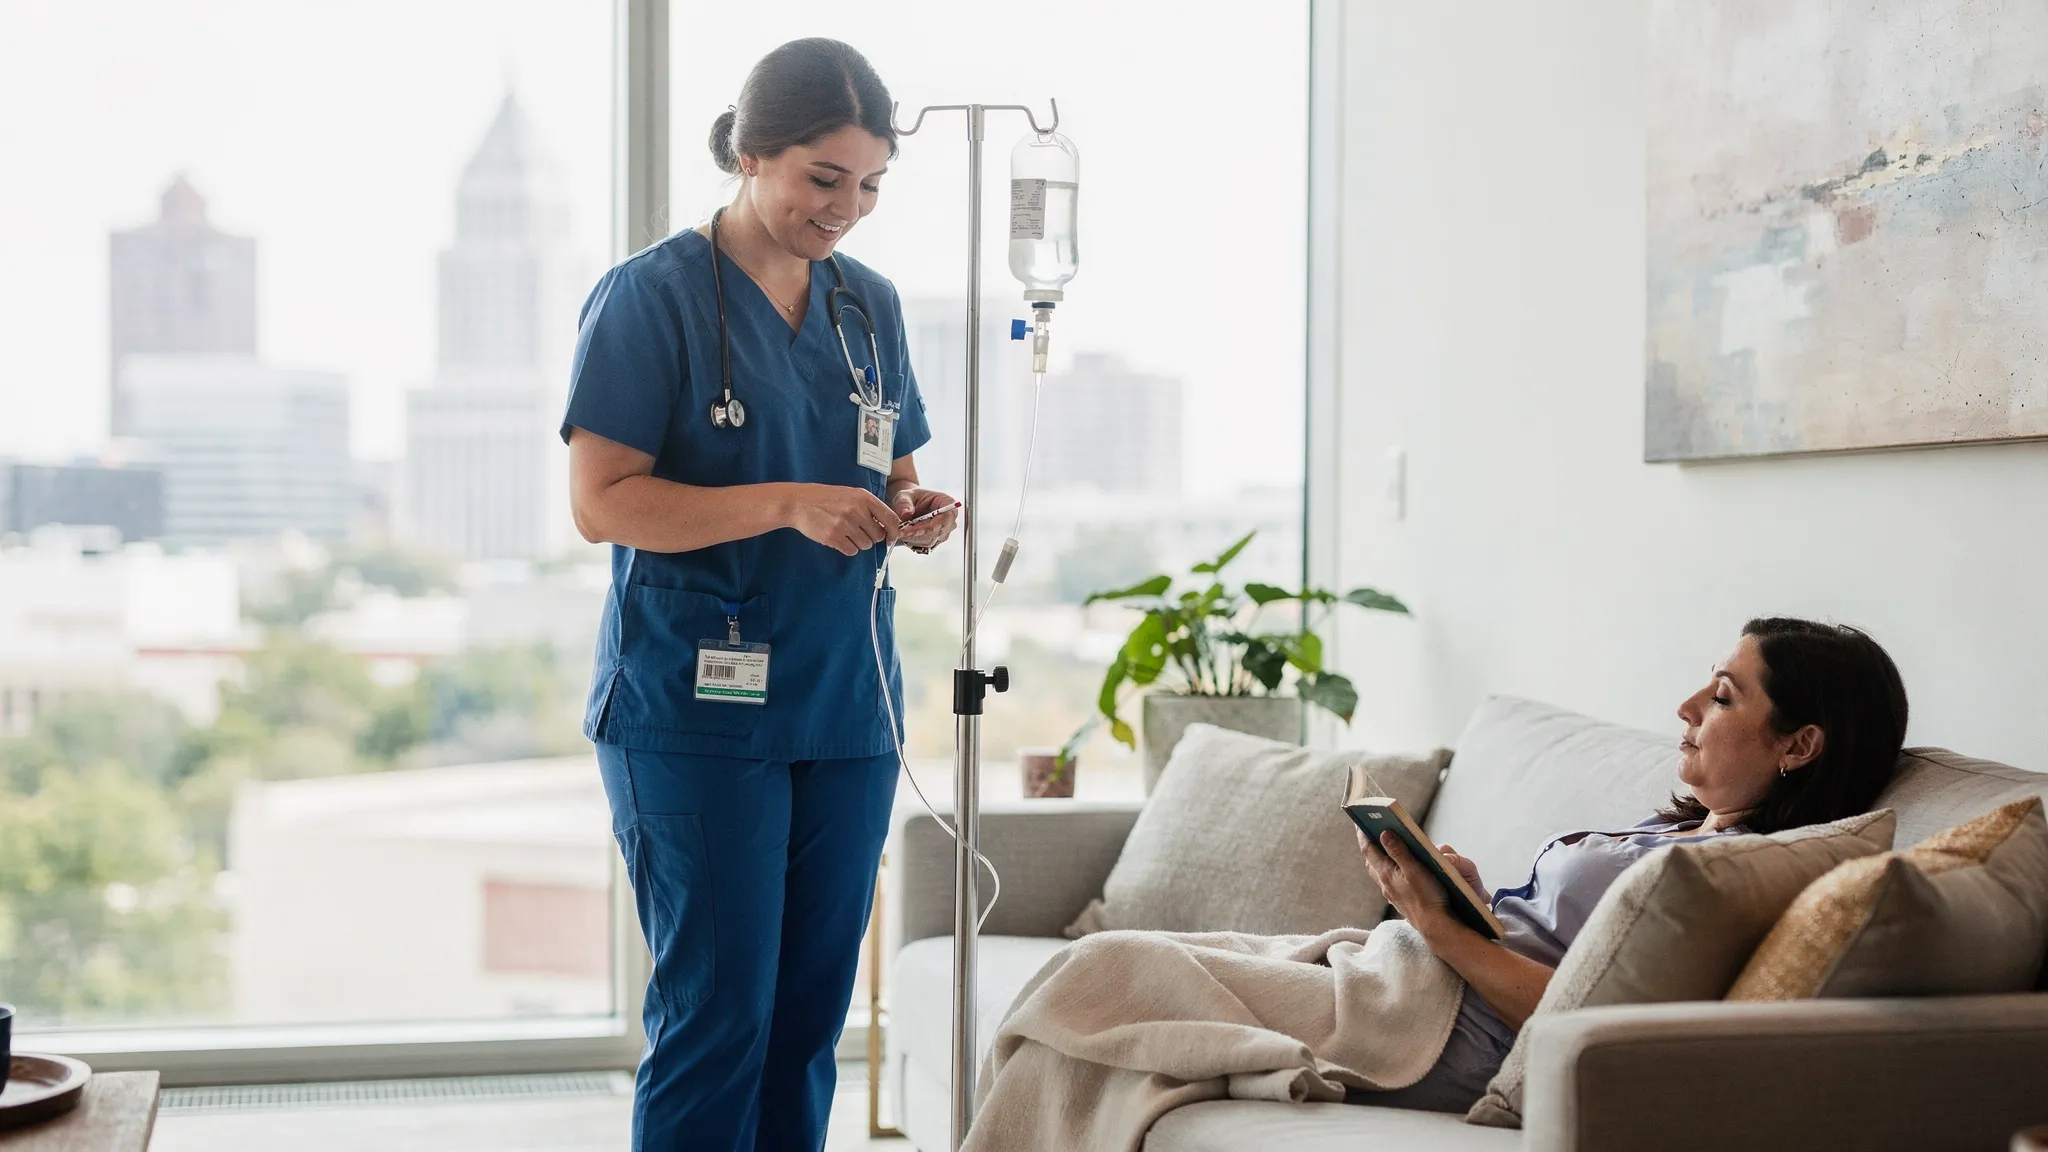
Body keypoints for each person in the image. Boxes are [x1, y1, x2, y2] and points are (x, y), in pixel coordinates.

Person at [559, 38, 960, 1152]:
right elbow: (601, 502)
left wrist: (914, 510)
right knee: (717, 1018)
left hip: (846, 705)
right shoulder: (651, 298)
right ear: (748, 152)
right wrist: (787, 501)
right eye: (822, 179)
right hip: (693, 709)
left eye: (870, 185)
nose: (846, 208)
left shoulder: (867, 304)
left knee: (803, 1026)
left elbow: (889, 467)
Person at [1355, 617, 1910, 1111]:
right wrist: (1469, 905)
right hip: (1414, 977)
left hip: (1449, 1031)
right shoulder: (1679, 832)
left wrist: (1436, 925)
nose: (1686, 707)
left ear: (1798, 746)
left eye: (1721, 697)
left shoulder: (1720, 875)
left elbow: (1582, 1018)